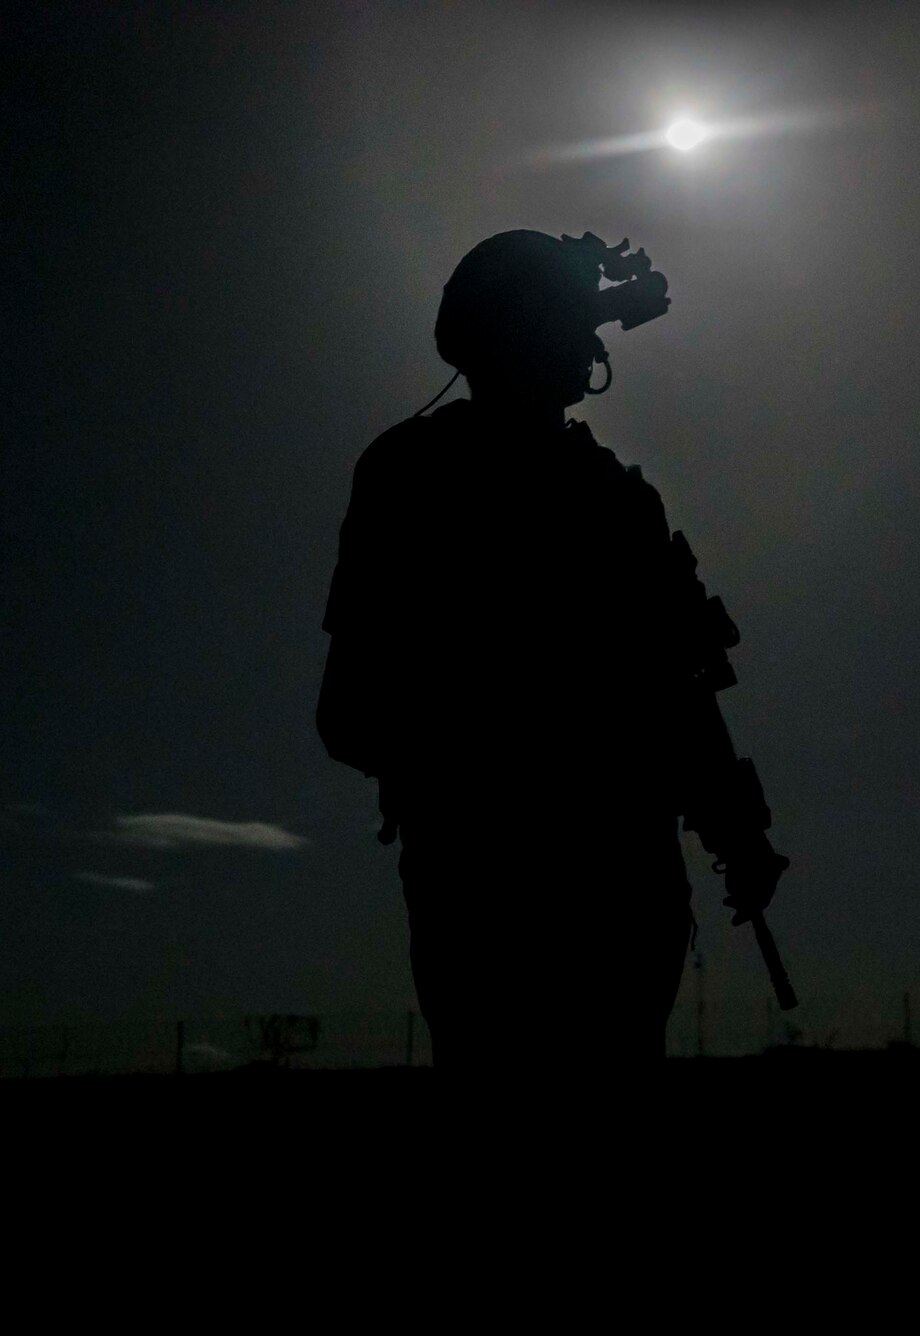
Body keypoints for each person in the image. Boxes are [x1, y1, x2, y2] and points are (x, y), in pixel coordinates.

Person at [317, 230, 788, 1072]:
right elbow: (352, 708)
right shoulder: (420, 475)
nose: (592, 342)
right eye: (572, 323)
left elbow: (683, 688)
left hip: (603, 888)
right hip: (495, 892)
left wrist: (735, 829)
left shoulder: (611, 497)